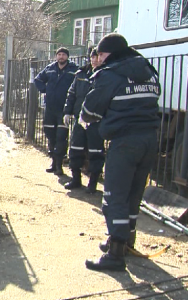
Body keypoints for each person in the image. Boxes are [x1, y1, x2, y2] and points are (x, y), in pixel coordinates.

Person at [80, 34, 161, 272]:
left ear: (112, 53)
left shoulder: (111, 74)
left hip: (124, 141)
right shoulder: (148, 70)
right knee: (134, 194)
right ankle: (127, 243)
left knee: (115, 196)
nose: (100, 59)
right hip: (149, 139)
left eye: (102, 54)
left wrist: (85, 119)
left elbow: (90, 109)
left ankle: (115, 254)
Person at [63, 48, 104, 193]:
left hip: (96, 121)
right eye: (92, 57)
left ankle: (93, 183)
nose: (94, 60)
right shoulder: (80, 74)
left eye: (97, 57)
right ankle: (75, 179)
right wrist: (67, 112)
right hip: (79, 119)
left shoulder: (106, 75)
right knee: (75, 148)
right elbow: (72, 94)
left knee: (95, 151)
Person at [34, 47, 78, 175]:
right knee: (50, 135)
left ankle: (59, 164)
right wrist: (45, 90)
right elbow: (38, 79)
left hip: (64, 109)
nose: (61, 57)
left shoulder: (73, 69)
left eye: (64, 54)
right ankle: (53, 162)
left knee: (61, 137)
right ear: (56, 56)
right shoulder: (50, 68)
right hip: (50, 108)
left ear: (67, 57)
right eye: (59, 54)